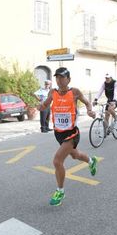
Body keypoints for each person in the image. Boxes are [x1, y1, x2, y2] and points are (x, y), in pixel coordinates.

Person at [38, 67, 98, 206]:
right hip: (58, 133)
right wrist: (40, 107)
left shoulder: (75, 92)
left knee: (57, 161)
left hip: (72, 133)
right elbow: (45, 105)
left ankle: (60, 191)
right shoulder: (53, 92)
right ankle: (91, 161)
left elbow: (88, 103)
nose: (59, 80)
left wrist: (90, 111)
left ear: (68, 79)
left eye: (62, 77)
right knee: (75, 155)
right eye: (57, 77)